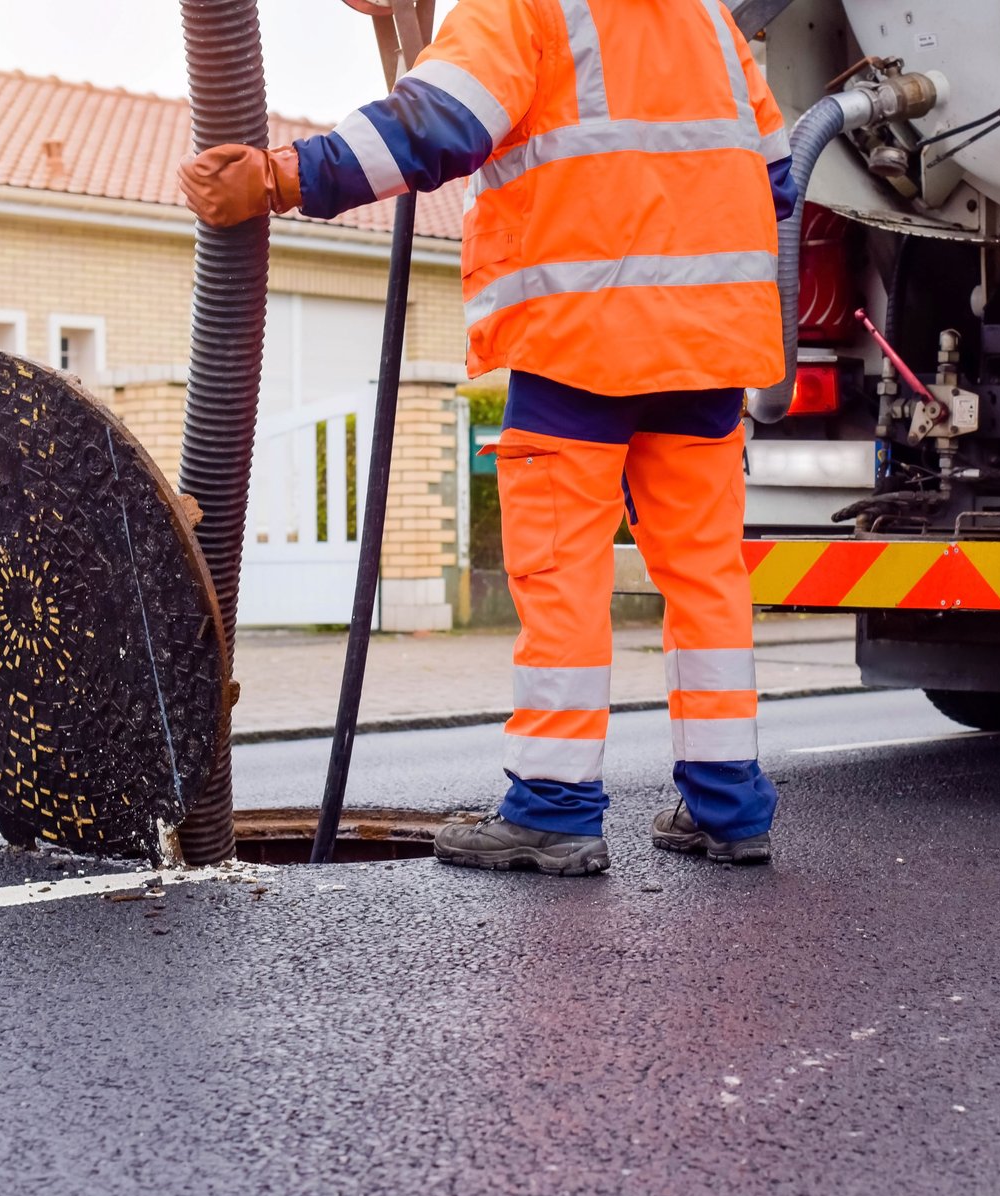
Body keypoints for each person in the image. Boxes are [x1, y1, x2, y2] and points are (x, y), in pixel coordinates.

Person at [178, 0, 797, 876]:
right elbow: (774, 177)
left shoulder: (529, 4)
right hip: (710, 349)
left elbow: (441, 123)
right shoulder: (707, 20)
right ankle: (730, 809)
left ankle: (554, 808)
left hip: (581, 342)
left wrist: (280, 178)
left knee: (562, 576)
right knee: (706, 578)